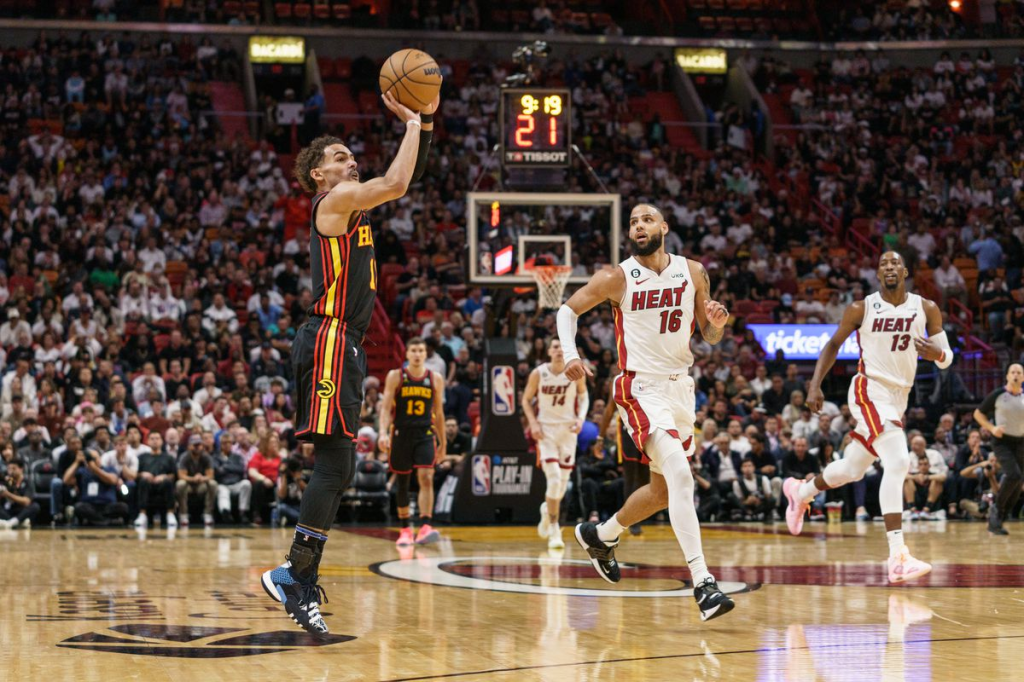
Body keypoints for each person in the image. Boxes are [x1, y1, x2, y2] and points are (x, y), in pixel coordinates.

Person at [262, 90, 439, 638]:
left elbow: (408, 176)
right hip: (330, 338)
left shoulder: (352, 203)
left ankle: (298, 574)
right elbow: (397, 183)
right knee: (336, 464)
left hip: (347, 343)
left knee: (342, 468)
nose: (351, 161)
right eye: (340, 157)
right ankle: (294, 575)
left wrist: (425, 125)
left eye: (351, 155)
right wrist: (412, 123)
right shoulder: (333, 201)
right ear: (318, 174)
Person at [558, 202, 735, 621]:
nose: (639, 226)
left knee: (663, 492)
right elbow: (567, 310)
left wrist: (717, 323)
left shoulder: (693, 272)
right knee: (681, 475)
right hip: (640, 387)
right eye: (634, 222)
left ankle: (601, 535)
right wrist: (570, 354)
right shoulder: (616, 277)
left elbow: (708, 335)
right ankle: (704, 583)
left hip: (680, 389)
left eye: (647, 219)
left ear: (664, 227)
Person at [783, 251, 952, 583]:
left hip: (899, 397)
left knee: (853, 469)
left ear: (905, 271)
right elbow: (833, 345)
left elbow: (946, 358)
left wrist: (938, 354)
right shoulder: (862, 308)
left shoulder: (927, 308)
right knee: (898, 461)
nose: (889, 267)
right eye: (883, 263)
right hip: (869, 389)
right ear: (877, 273)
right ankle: (897, 556)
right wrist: (815, 384)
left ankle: (800, 492)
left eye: (894, 263)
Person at [378, 338, 447, 546]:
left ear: (426, 354)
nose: (417, 354)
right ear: (407, 354)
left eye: (421, 350)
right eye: (414, 350)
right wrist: (382, 433)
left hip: (425, 433)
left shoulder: (435, 378)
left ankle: (425, 526)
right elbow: (385, 408)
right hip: (401, 433)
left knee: (426, 476)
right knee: (403, 481)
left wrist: (443, 442)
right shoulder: (396, 376)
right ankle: (405, 529)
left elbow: (439, 413)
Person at [522, 338, 589, 550]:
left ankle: (547, 509)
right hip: (546, 431)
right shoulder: (539, 373)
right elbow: (525, 400)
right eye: (555, 347)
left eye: (562, 346)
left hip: (568, 431)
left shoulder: (575, 372)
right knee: (554, 479)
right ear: (549, 351)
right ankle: (554, 529)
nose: (559, 350)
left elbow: (584, 396)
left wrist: (581, 419)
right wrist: (533, 423)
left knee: (562, 483)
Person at [973, 363, 1024, 535]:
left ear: (1023, 377)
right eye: (1013, 372)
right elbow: (978, 414)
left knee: (1019, 481)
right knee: (1013, 475)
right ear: (1007, 376)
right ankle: (996, 510)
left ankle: (999, 519)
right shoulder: (998, 394)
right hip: (1002, 441)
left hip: (1021, 441)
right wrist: (992, 428)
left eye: (1019, 372)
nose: (1016, 375)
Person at [599, 385, 648, 536]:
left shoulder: (650, 375)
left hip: (648, 427)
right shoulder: (619, 381)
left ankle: (638, 514)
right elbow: (609, 409)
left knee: (645, 478)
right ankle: (631, 519)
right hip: (628, 430)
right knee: (631, 477)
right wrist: (600, 437)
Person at [176, 433, 217, 527]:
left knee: (213, 484)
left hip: (201, 485)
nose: (197, 447)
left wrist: (202, 478)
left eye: (199, 445)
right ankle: (183, 514)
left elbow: (211, 475)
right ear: (189, 446)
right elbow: (181, 476)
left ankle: (208, 514)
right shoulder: (184, 457)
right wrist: (193, 478)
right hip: (188, 485)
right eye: (195, 445)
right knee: (180, 484)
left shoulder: (206, 457)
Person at [213, 432, 252, 523]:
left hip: (236, 483)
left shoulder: (237, 457)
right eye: (224, 443)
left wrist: (225, 466)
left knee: (246, 484)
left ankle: (243, 512)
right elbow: (217, 471)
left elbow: (241, 469)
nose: (227, 445)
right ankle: (226, 513)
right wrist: (232, 468)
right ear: (220, 444)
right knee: (222, 491)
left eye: (229, 443)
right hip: (223, 484)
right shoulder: (215, 457)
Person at [0, 459, 40, 529]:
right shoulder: (6, 481)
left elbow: (26, 501)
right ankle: (19, 522)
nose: (11, 471)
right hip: (8, 510)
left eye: (14, 468)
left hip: (21, 510)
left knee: (35, 506)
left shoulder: (27, 482)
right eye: (9, 469)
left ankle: (13, 522)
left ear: (21, 469)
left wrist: (8, 494)